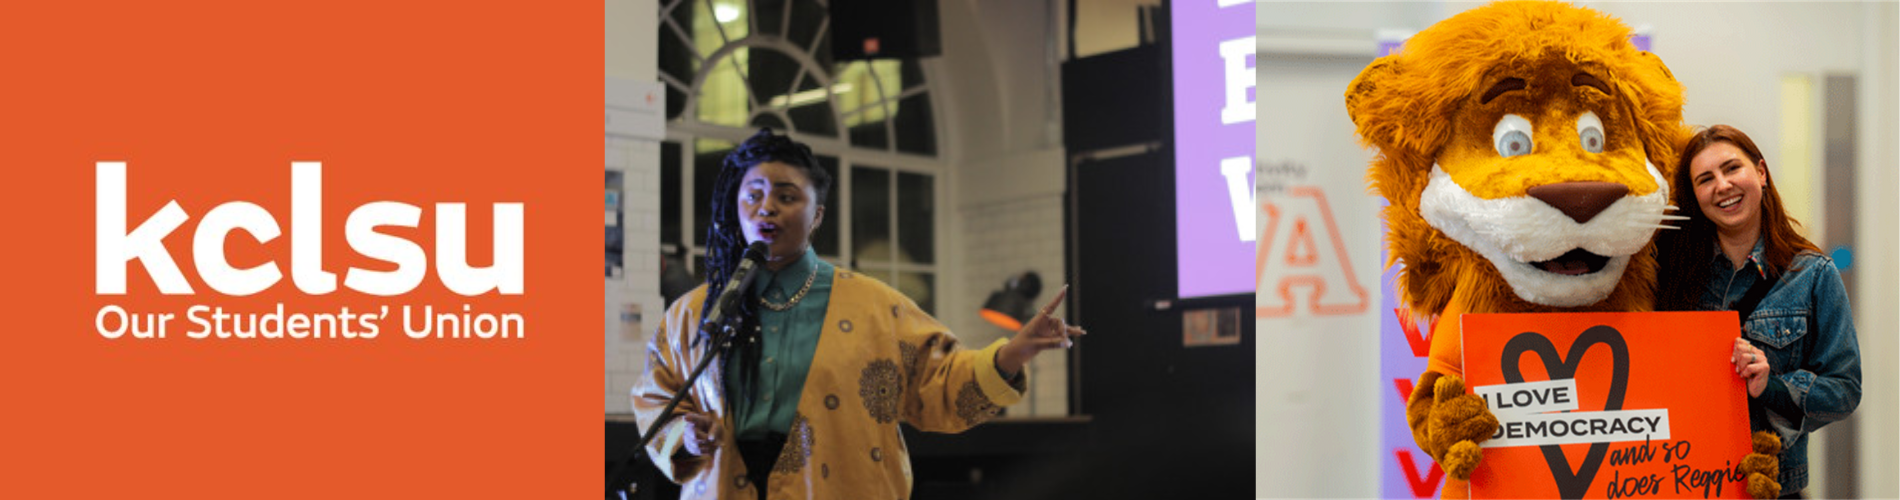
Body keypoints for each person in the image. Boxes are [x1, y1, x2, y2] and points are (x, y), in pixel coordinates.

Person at [633, 129, 1085, 500]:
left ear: (817, 217)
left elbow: (942, 382)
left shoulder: (874, 307)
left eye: (786, 196)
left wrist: (1012, 354)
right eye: (753, 194)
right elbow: (658, 395)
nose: (766, 207)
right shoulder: (694, 311)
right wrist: (685, 437)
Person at [1655, 125, 1861, 499]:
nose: (1722, 185)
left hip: (1772, 487)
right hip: (1683, 480)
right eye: (1705, 179)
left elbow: (1845, 390)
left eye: (1732, 168)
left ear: (1761, 173)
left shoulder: (1814, 274)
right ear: (1696, 196)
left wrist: (1774, 387)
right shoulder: (1672, 274)